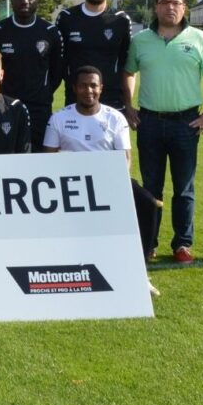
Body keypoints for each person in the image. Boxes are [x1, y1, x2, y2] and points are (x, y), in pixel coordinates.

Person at [123, 0, 203, 264]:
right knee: (151, 188)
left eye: (176, 3)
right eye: (164, 2)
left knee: (184, 188)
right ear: (156, 7)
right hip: (150, 122)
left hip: (186, 123)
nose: (170, 7)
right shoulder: (141, 39)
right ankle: (149, 242)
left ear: (184, 7)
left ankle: (182, 244)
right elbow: (129, 72)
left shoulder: (199, 38)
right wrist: (129, 106)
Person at [44, 66, 163, 273]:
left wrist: (113, 184)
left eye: (93, 86)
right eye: (83, 86)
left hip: (109, 180)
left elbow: (125, 159)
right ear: (74, 88)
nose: (88, 90)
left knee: (148, 204)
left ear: (101, 88)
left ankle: (139, 269)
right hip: (70, 184)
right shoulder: (59, 118)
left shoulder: (115, 118)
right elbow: (49, 158)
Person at [0, 0, 64, 151]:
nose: (25, 1)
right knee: (6, 154)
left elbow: (57, 71)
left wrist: (42, 91)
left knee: (40, 156)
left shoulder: (50, 32)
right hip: (5, 107)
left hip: (39, 108)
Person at [55, 0, 131, 109]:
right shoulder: (66, 18)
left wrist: (128, 103)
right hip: (75, 102)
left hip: (112, 103)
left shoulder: (120, 20)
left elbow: (127, 65)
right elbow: (58, 62)